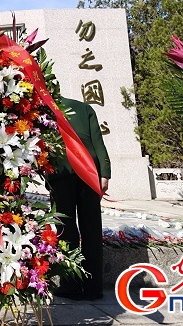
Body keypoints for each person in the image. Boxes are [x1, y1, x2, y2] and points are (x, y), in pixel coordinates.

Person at [47, 97, 111, 301]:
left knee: (66, 229)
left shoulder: (43, 107)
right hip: (90, 171)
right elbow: (98, 142)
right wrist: (105, 173)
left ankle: (71, 284)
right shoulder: (84, 107)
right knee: (91, 229)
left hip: (61, 172)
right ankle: (94, 287)